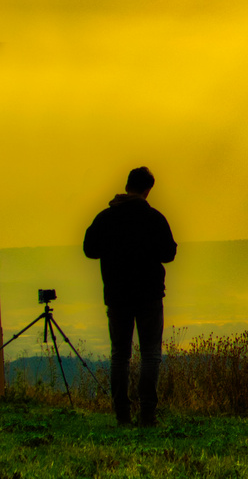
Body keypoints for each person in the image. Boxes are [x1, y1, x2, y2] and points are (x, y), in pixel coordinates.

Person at [83, 166, 177, 427]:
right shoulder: (154, 218)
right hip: (148, 295)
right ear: (148, 190)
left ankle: (121, 414)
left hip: (117, 295)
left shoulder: (106, 217)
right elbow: (168, 253)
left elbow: (89, 249)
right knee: (149, 355)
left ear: (127, 186)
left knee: (120, 355)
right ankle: (147, 413)